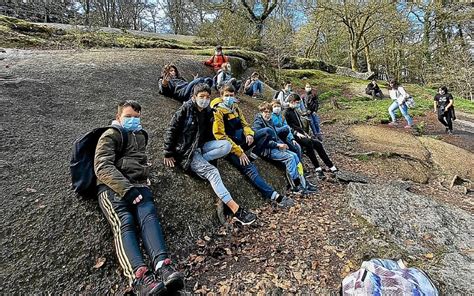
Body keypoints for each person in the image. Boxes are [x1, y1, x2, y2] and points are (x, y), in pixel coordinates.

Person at [94, 100, 184, 295]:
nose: (133, 120)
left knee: (149, 216)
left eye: (136, 117)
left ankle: (163, 266)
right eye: (128, 117)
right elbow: (102, 167)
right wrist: (126, 190)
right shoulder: (110, 135)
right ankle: (139, 278)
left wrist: (142, 182)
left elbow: (140, 161)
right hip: (112, 189)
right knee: (124, 222)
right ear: (118, 117)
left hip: (139, 185)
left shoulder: (141, 136)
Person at [163, 84, 256, 225]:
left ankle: (201, 164)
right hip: (186, 151)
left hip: (200, 147)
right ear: (194, 97)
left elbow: (210, 133)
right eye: (201, 97)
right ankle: (236, 210)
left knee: (227, 145)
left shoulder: (207, 111)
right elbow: (171, 129)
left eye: (207, 97)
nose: (205, 100)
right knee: (213, 172)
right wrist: (168, 152)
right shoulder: (185, 109)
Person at [211, 84, 294, 208]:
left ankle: (254, 155)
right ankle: (274, 196)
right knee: (250, 170)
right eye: (226, 95)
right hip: (230, 147)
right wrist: (239, 151)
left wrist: (248, 133)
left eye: (231, 95)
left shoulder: (235, 107)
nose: (229, 98)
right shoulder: (218, 111)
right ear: (221, 96)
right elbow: (220, 135)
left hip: (243, 140)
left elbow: (245, 124)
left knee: (268, 131)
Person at [253, 102, 317, 194]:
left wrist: (282, 144)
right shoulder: (258, 123)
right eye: (265, 112)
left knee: (295, 155)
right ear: (261, 112)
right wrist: (278, 145)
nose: (267, 114)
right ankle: (295, 186)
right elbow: (262, 141)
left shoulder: (269, 120)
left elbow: (275, 135)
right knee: (290, 158)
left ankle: (303, 183)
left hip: (275, 146)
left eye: (269, 112)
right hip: (267, 149)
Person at [284, 94, 338, 180]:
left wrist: (305, 133)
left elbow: (299, 125)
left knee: (318, 144)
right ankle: (317, 168)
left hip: (301, 133)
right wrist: (296, 133)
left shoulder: (295, 110)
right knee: (308, 143)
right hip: (293, 135)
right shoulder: (286, 112)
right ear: (292, 102)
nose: (298, 104)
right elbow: (286, 126)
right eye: (297, 103)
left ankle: (330, 165)